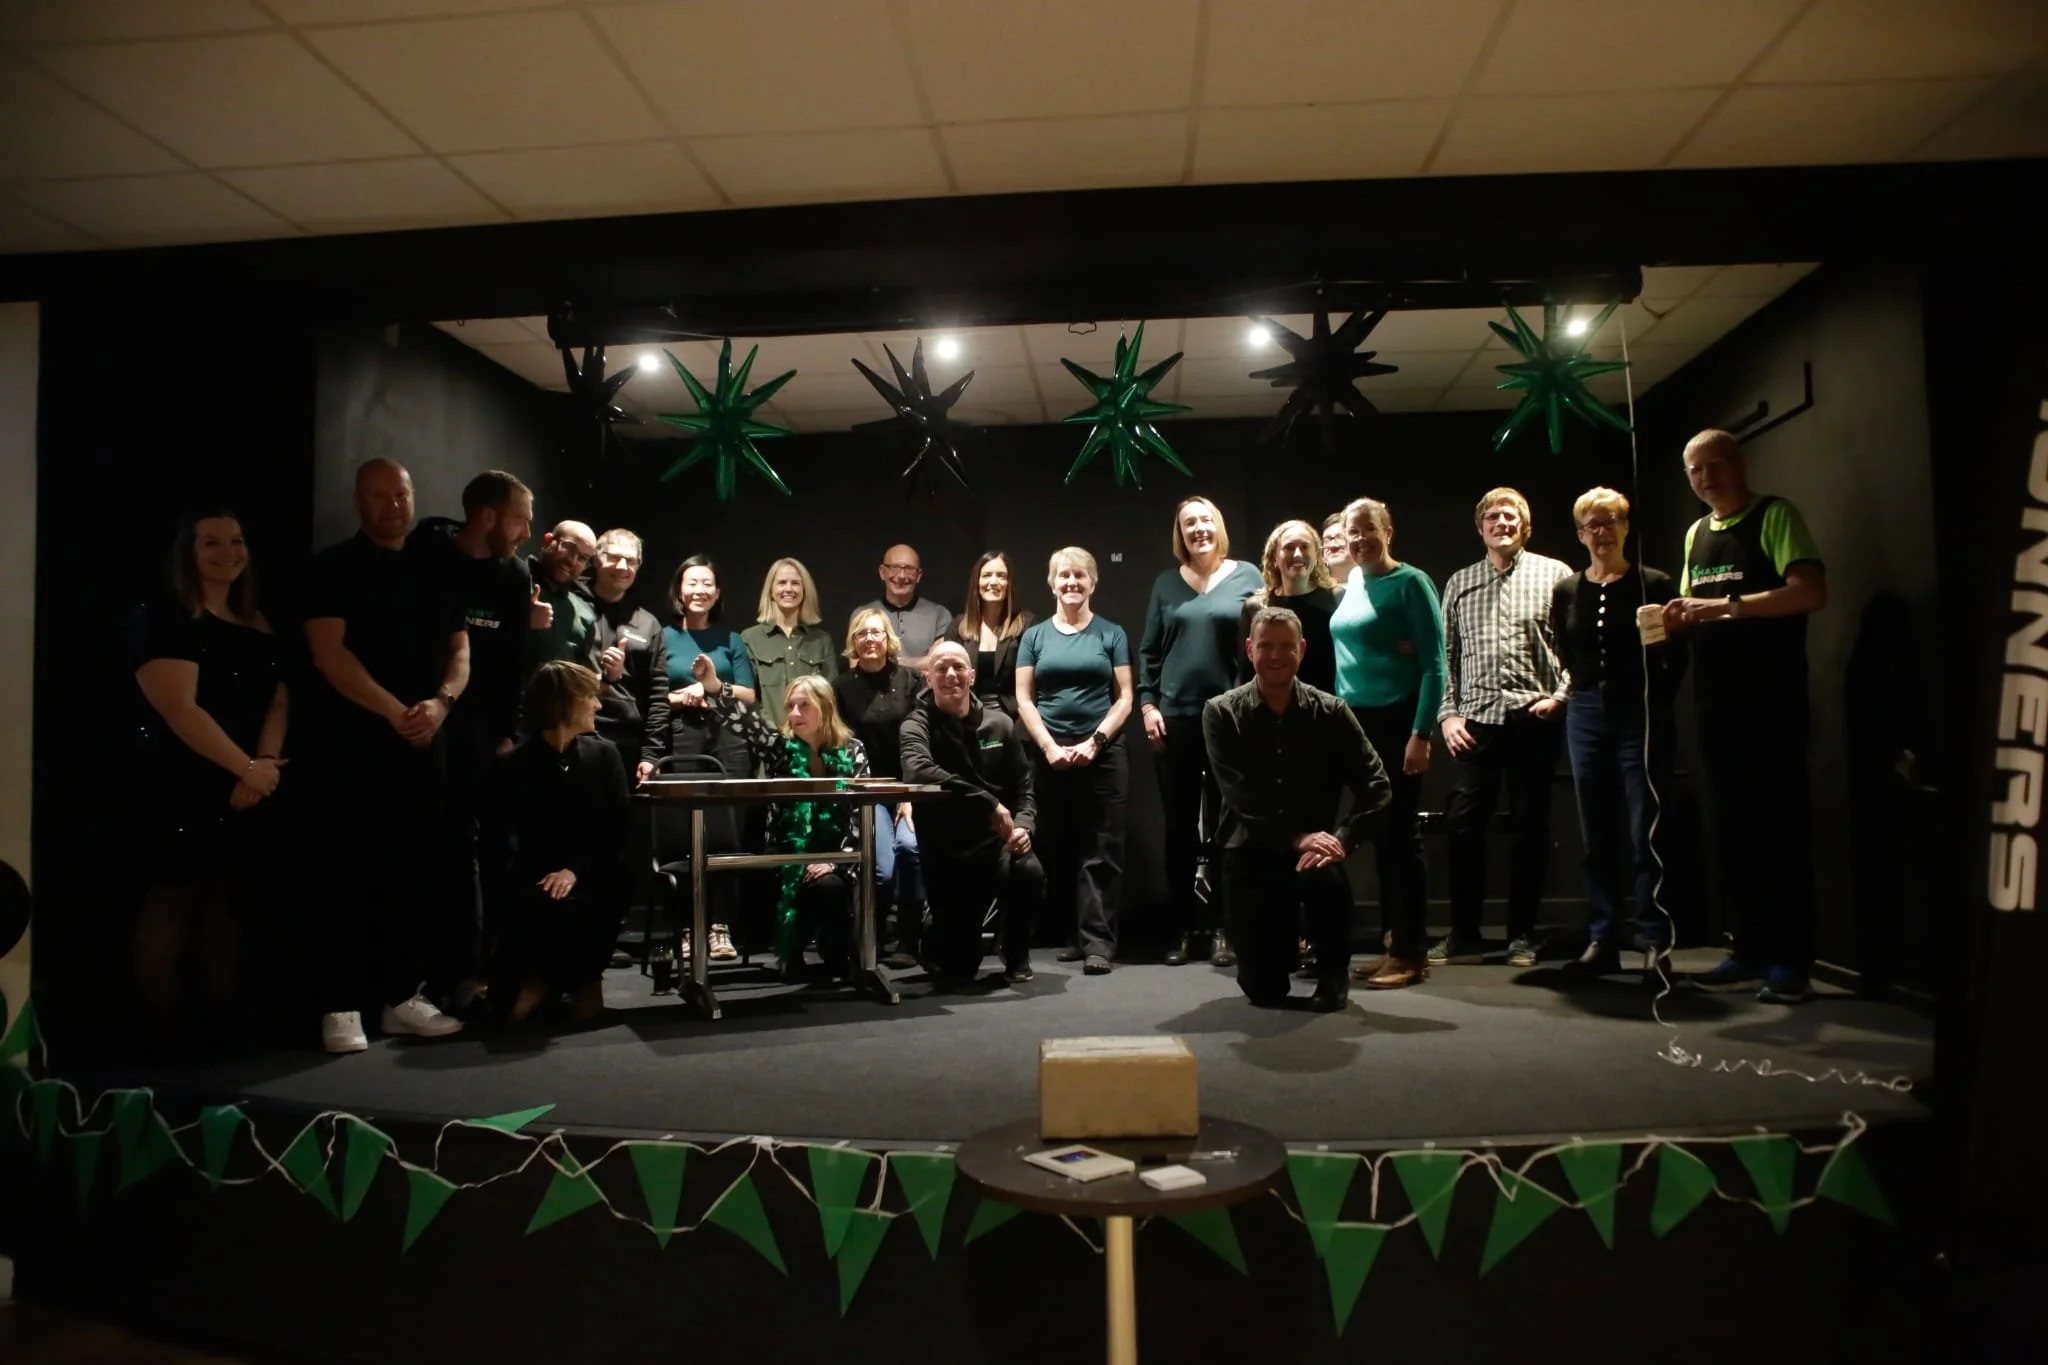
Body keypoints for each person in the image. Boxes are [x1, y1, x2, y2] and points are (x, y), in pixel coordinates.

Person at [303, 458, 467, 1052]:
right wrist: (395, 710)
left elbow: (459, 651)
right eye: (378, 495)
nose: (392, 505)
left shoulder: (436, 572)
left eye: (400, 493)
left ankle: (401, 997)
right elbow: (329, 655)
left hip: (425, 742)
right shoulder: (332, 568)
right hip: (352, 744)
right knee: (347, 874)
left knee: (413, 872)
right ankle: (340, 1004)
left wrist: (442, 705)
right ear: (358, 500)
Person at [1662, 429, 1828, 1003]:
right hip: (1714, 701)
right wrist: (1676, 618)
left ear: (1740, 463)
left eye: (1715, 465)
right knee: (1733, 829)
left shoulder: (1775, 516)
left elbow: (1809, 592)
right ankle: (1750, 948)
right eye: (1694, 470)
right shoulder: (1696, 533)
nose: (1706, 478)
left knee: (1779, 828)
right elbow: (1692, 606)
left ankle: (1791, 960)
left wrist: (1728, 608)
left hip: (1771, 699)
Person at [128, 509, 287, 1054]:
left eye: (237, 540)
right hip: (182, 780)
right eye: (212, 542)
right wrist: (244, 768)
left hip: (249, 781)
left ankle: (221, 1031)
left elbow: (279, 698)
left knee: (225, 901)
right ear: (187, 554)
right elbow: (180, 710)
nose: (229, 551)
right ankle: (162, 1036)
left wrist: (264, 764)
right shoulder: (168, 617)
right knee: (172, 902)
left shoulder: (258, 621)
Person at [1205, 607, 1390, 1012]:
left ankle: (1332, 972)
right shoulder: (1221, 712)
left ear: (1302, 650)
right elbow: (1241, 799)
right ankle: (1279, 951)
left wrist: (1341, 840)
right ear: (1250, 650)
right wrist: (1296, 836)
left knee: (1328, 880)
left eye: (1286, 646)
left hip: (1312, 855)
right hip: (1250, 851)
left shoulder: (1332, 711)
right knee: (1264, 991)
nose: (1276, 655)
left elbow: (1376, 784)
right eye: (1266, 646)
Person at [407, 470, 536, 1008]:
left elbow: (512, 660)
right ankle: (432, 975)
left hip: (486, 729)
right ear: (488, 516)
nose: (527, 531)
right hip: (429, 721)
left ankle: (479, 972)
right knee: (441, 846)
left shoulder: (513, 574)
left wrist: (507, 730)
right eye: (521, 519)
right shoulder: (430, 560)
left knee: (489, 848)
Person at [1436, 487, 1573, 969]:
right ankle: (1464, 933)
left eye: (1511, 516)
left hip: (1533, 718)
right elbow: (1446, 658)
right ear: (1480, 527)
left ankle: (1522, 935)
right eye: (1493, 517)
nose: (1502, 523)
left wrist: (1561, 697)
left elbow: (1573, 648)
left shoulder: (1556, 575)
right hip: (1477, 722)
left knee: (1530, 829)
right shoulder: (1460, 583)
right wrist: (1448, 715)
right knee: (1463, 826)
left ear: (1525, 526)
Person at [1553, 488, 1686, 976]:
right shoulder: (1567, 590)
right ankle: (1603, 936)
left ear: (1626, 527)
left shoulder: (1654, 583)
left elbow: (1674, 657)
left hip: (1640, 714)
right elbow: (1565, 647)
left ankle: (1654, 938)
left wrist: (1652, 701)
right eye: (1591, 524)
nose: (1601, 532)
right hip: (1586, 713)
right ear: (1580, 534)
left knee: (1644, 827)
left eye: (1610, 521)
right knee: (1596, 831)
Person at [1138, 496, 1262, 966]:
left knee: (1232, 830)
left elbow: (1262, 638)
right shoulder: (1167, 584)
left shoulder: (1249, 576)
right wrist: (1149, 705)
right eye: (1189, 523)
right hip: (1177, 719)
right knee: (1179, 831)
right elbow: (1148, 652)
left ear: (1219, 525)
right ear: (1180, 533)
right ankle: (1184, 930)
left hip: (1233, 718)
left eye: (1206, 520)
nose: (1198, 529)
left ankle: (1228, 930)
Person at [1329, 497, 1444, 989]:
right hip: (1357, 727)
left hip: (1398, 726)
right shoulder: (1354, 581)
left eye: (1367, 530)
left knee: (1400, 841)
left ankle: (1412, 953)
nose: (1358, 540)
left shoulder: (1411, 583)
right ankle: (1392, 946)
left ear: (1388, 531)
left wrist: (1421, 735)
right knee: (1379, 840)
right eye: (1351, 532)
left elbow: (1434, 666)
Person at [695, 661, 869, 982]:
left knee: (831, 886)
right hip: (788, 853)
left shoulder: (853, 751)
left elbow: (860, 815)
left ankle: (842, 955)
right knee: (794, 881)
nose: (794, 713)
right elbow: (747, 723)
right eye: (790, 706)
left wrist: (837, 862)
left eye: (804, 705)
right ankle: (794, 950)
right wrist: (714, 686)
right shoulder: (781, 751)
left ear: (826, 708)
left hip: (839, 854)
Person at [481, 661, 629, 1024]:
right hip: (535, 873)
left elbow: (617, 829)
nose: (597, 705)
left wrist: (575, 870)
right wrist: (547, 873)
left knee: (611, 885)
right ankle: (546, 982)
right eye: (590, 697)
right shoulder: (515, 765)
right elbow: (501, 838)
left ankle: (568, 984)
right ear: (566, 703)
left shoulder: (604, 755)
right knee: (541, 898)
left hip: (592, 870)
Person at [1015, 547, 1133, 975]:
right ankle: (1071, 935)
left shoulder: (1111, 634)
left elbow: (1126, 698)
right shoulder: (1034, 636)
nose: (1071, 583)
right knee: (1058, 845)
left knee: (1101, 848)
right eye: (1064, 575)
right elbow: (1025, 699)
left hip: (1102, 752)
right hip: (1049, 750)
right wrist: (1048, 747)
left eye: (1080, 576)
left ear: (1093, 582)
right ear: (1051, 582)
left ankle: (1098, 942)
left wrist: (1096, 741)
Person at [901, 641, 1046, 986]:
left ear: (972, 675)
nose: (951, 675)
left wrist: (1024, 826)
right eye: (941, 668)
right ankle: (936, 934)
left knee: (1028, 869)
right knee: (958, 971)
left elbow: (1024, 787)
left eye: (958, 667)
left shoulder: (999, 725)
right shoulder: (915, 725)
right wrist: (989, 801)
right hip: (947, 853)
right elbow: (918, 769)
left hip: (993, 843)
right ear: (928, 678)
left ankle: (1015, 951)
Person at [662, 554, 755, 962]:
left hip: (729, 740)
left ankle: (721, 927)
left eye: (707, 584)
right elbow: (650, 694)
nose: (699, 591)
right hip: (682, 739)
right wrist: (680, 696)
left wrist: (714, 687)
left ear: (717, 594)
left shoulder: (730, 640)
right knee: (684, 834)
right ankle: (686, 927)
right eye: (692, 583)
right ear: (679, 591)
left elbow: (750, 696)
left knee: (727, 835)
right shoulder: (663, 638)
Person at [832, 609, 924, 968]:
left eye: (877, 633)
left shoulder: (910, 681)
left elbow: (919, 741)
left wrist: (909, 792)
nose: (870, 639)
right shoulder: (841, 687)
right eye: (862, 634)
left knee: (911, 849)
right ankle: (873, 935)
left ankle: (909, 939)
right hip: (865, 791)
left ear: (889, 641)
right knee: (882, 870)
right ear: (853, 642)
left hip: (906, 789)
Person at [587, 528, 669, 786]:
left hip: (626, 744)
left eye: (631, 560)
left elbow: (658, 696)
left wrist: (650, 754)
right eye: (614, 557)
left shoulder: (648, 624)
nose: (623, 566)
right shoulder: (572, 607)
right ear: (596, 558)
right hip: (575, 736)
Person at [1237, 520, 1338, 693]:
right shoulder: (1255, 607)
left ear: (1317, 555)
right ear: (1274, 558)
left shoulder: (1336, 599)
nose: (1298, 554)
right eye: (1289, 547)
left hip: (1324, 711)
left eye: (1305, 547)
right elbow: (1246, 672)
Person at [742, 557, 837, 729]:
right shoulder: (750, 639)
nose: (788, 589)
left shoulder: (821, 641)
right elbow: (749, 699)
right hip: (768, 740)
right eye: (781, 583)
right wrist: (771, 733)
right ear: (771, 590)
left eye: (795, 583)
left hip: (813, 741)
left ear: (804, 590)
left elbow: (830, 698)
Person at [940, 550, 1034, 717]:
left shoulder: (1027, 625)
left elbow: (1033, 687)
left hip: (1013, 720)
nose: (993, 582)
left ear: (1009, 583)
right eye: (987, 575)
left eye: (1001, 576)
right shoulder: (958, 626)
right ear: (977, 582)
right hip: (966, 719)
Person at [854, 543, 952, 670]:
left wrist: (889, 662)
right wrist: (921, 663)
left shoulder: (939, 615)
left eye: (909, 569)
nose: (901, 576)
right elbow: (856, 665)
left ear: (918, 575)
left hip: (925, 690)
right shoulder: (862, 615)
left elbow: (940, 662)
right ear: (882, 572)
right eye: (894, 567)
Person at [525, 520, 599, 672]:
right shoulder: (510, 581)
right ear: (547, 541)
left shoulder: (585, 613)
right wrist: (523, 621)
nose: (572, 561)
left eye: (582, 558)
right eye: (569, 548)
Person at [1322, 512, 1354, 583]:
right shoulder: (1311, 587)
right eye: (1327, 539)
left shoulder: (1376, 583)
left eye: (1340, 538)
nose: (1333, 545)